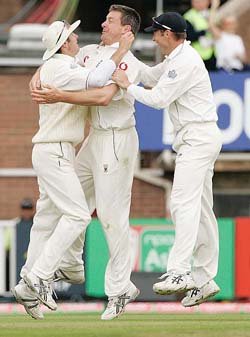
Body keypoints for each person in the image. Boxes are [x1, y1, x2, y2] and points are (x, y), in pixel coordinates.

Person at [30, 4, 165, 320]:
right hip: (93, 139)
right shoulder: (88, 50)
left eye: (111, 21)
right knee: (70, 202)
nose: (103, 23)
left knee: (110, 214)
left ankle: (120, 289)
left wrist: (58, 96)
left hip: (117, 139)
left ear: (126, 30)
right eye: (105, 18)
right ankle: (71, 263)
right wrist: (39, 75)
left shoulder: (127, 60)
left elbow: (103, 97)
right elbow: (57, 59)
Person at [12, 19, 134, 320]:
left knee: (46, 217)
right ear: (64, 44)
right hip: (54, 150)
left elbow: (91, 75)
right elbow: (97, 81)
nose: (77, 36)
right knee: (79, 215)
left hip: (58, 150)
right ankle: (38, 276)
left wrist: (42, 68)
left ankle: (28, 282)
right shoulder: (61, 68)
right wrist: (121, 52)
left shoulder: (62, 65)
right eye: (71, 35)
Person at [112, 12, 222, 307]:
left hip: (197, 138)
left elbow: (158, 98)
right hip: (198, 138)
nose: (153, 37)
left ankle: (179, 272)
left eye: (156, 32)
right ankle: (204, 279)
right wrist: (125, 52)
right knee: (200, 208)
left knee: (182, 203)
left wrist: (125, 85)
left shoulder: (185, 61)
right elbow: (149, 76)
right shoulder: (176, 59)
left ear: (168, 33)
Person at [208, 0, 249, 72]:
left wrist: (240, 56)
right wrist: (214, 7)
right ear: (223, 24)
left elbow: (245, 58)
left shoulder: (238, 38)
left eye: (233, 23)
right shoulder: (221, 35)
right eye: (228, 23)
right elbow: (211, 25)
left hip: (238, 69)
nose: (231, 25)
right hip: (224, 69)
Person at [184, 0, 217, 71]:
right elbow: (189, 36)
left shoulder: (211, 14)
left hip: (211, 53)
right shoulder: (188, 16)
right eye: (196, 1)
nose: (199, 3)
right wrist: (204, 31)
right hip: (196, 55)